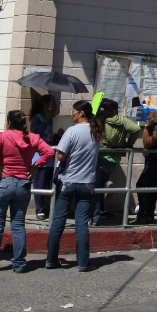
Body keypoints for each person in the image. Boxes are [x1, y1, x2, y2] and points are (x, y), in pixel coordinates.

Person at [0, 109, 52, 273]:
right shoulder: (34, 138)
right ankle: (19, 263)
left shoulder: (2, 136)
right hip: (22, 184)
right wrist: (35, 166)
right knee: (18, 226)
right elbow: (48, 152)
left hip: (3, 182)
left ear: (8, 123)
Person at [46, 101, 103, 271]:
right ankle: (83, 263)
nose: (72, 114)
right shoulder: (96, 132)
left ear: (82, 113)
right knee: (81, 223)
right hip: (86, 182)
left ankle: (51, 260)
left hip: (68, 181)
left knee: (58, 221)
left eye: (74, 112)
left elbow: (60, 156)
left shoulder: (72, 131)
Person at [90, 99, 141, 224]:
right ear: (113, 110)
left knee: (96, 188)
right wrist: (128, 143)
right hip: (113, 158)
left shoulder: (99, 121)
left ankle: (96, 217)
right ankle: (105, 192)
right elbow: (136, 129)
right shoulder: (121, 121)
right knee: (101, 183)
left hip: (99, 156)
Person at [29, 93, 62, 220]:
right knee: (39, 183)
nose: (54, 106)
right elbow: (35, 134)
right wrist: (46, 121)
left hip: (52, 156)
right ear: (46, 105)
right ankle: (40, 209)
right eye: (52, 104)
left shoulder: (55, 119)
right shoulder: (37, 118)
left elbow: (54, 137)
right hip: (39, 156)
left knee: (52, 183)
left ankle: (52, 208)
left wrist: (59, 135)